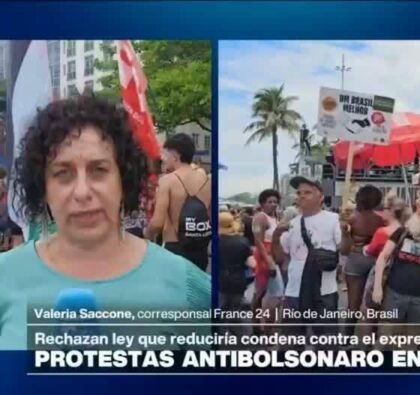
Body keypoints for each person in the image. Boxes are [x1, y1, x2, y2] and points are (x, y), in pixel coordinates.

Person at [0, 96, 210, 350]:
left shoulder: (186, 285)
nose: (82, 192)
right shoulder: (5, 277)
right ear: (43, 188)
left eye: (99, 170)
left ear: (124, 178)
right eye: (62, 173)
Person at [277, 176, 341, 347]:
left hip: (324, 292)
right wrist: (276, 235)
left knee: (327, 343)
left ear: (320, 197)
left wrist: (346, 231)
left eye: (308, 192)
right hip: (294, 292)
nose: (301, 196)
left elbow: (346, 249)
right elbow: (279, 257)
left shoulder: (334, 219)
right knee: (291, 343)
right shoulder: (291, 224)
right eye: (299, 193)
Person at [373, 211, 420, 348]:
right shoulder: (402, 232)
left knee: (412, 339)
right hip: (395, 292)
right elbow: (383, 257)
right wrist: (377, 287)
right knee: (386, 336)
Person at [146, 133, 211, 271]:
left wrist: (146, 234)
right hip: (200, 249)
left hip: (175, 249)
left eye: (166, 154)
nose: (164, 159)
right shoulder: (206, 179)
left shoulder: (168, 181)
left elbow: (157, 223)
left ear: (175, 155)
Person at [359, 192, 409, 342]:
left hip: (380, 274)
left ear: (392, 211)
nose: (382, 211)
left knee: (367, 312)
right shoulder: (407, 231)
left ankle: (366, 346)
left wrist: (364, 248)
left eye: (385, 208)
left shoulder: (382, 232)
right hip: (399, 276)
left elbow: (370, 251)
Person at [340, 185, 385, 336]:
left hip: (356, 257)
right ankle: (372, 336)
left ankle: (347, 336)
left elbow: (344, 249)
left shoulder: (352, 218)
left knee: (353, 302)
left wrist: (343, 230)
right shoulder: (382, 219)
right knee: (375, 302)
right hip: (377, 258)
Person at [218, 211, 256, 336]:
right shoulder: (243, 241)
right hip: (237, 279)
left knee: (220, 306)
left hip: (219, 279)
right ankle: (237, 333)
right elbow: (252, 264)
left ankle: (221, 332)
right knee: (235, 307)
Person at [251, 190, 281, 313]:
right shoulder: (260, 218)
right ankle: (257, 322)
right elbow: (258, 241)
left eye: (275, 202)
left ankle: (265, 322)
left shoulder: (276, 217)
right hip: (264, 257)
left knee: (269, 291)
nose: (273, 204)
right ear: (263, 203)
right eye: (270, 202)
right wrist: (269, 261)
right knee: (260, 291)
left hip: (274, 255)